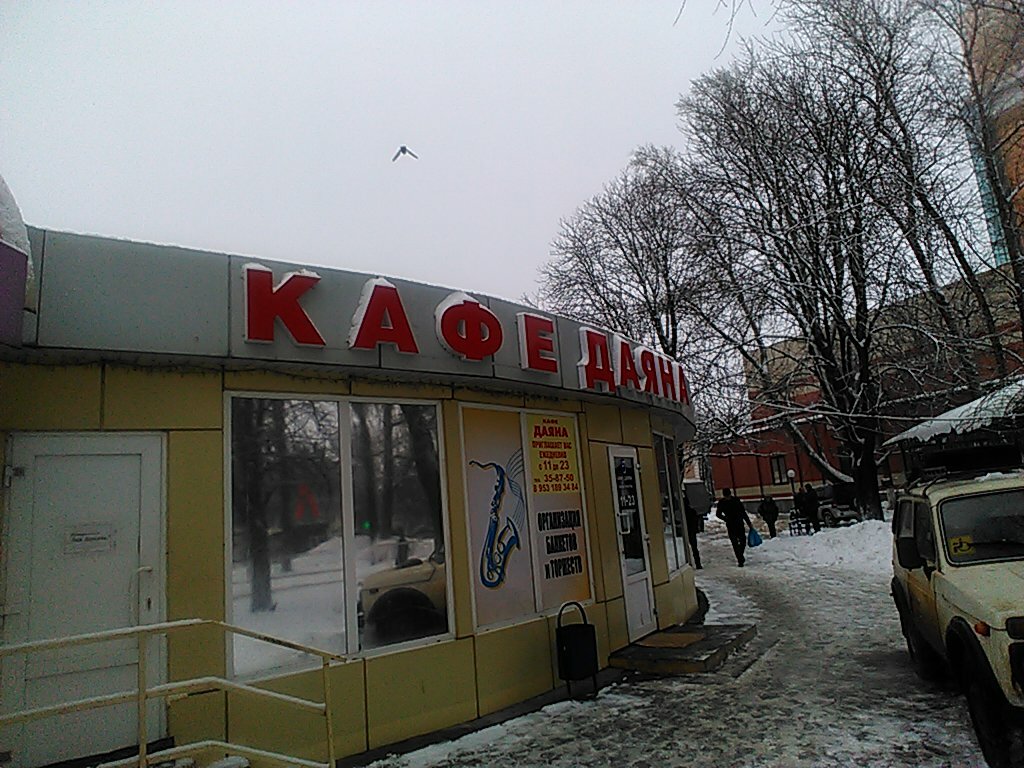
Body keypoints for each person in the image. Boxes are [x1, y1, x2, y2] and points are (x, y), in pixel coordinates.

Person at [716, 487, 755, 567]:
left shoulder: (736, 500)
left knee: (743, 541)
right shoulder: (722, 503)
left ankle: (740, 555)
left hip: (739, 523)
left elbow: (743, 512)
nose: (727, 497)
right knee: (734, 543)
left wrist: (749, 523)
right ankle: (740, 559)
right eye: (726, 496)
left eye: (728, 496)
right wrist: (725, 519)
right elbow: (718, 514)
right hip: (731, 525)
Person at [683, 494, 703, 569]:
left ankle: (689, 563)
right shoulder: (692, 511)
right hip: (692, 530)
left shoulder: (682, 512)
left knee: (686, 548)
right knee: (694, 548)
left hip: (686, 530)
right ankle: (698, 563)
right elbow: (696, 520)